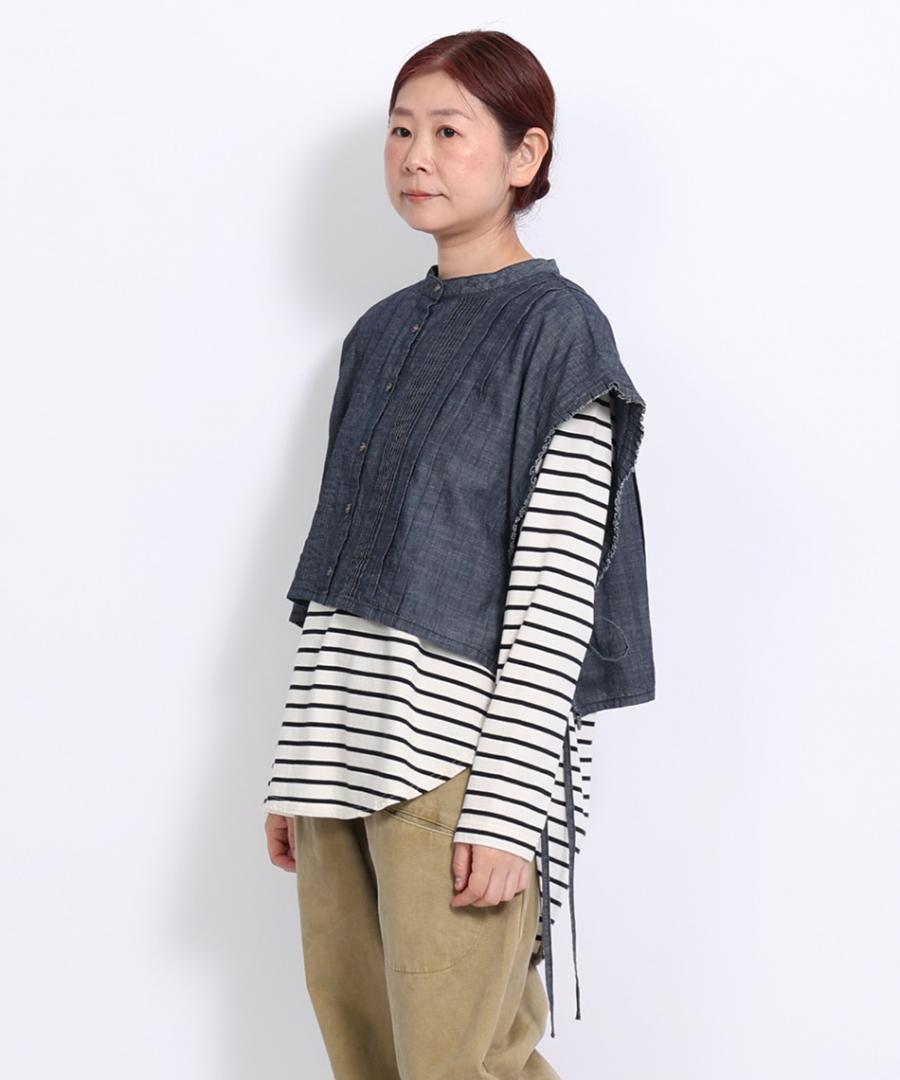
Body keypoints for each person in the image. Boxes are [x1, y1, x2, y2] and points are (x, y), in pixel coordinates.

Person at [263, 29, 654, 1080]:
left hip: (456, 771)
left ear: (526, 156)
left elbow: (557, 594)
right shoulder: (379, 334)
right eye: (400, 131)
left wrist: (511, 805)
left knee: (457, 1066)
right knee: (372, 1064)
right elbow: (340, 577)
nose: (416, 157)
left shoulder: (557, 333)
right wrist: (295, 765)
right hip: (338, 757)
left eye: (448, 131)